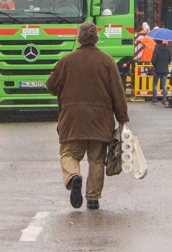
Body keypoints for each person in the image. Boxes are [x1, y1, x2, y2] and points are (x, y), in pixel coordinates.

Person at [46, 22, 130, 211]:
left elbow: (51, 86)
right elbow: (118, 91)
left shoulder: (66, 61)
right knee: (97, 159)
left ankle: (73, 176)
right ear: (96, 39)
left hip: (72, 119)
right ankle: (93, 198)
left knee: (69, 154)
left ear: (78, 39)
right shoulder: (107, 61)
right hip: (100, 120)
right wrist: (122, 117)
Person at [150, 39, 171, 104]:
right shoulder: (167, 50)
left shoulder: (156, 50)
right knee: (164, 84)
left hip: (158, 69)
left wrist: (155, 65)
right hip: (165, 69)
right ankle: (164, 99)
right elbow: (169, 59)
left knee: (154, 84)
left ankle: (154, 99)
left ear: (157, 42)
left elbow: (153, 60)